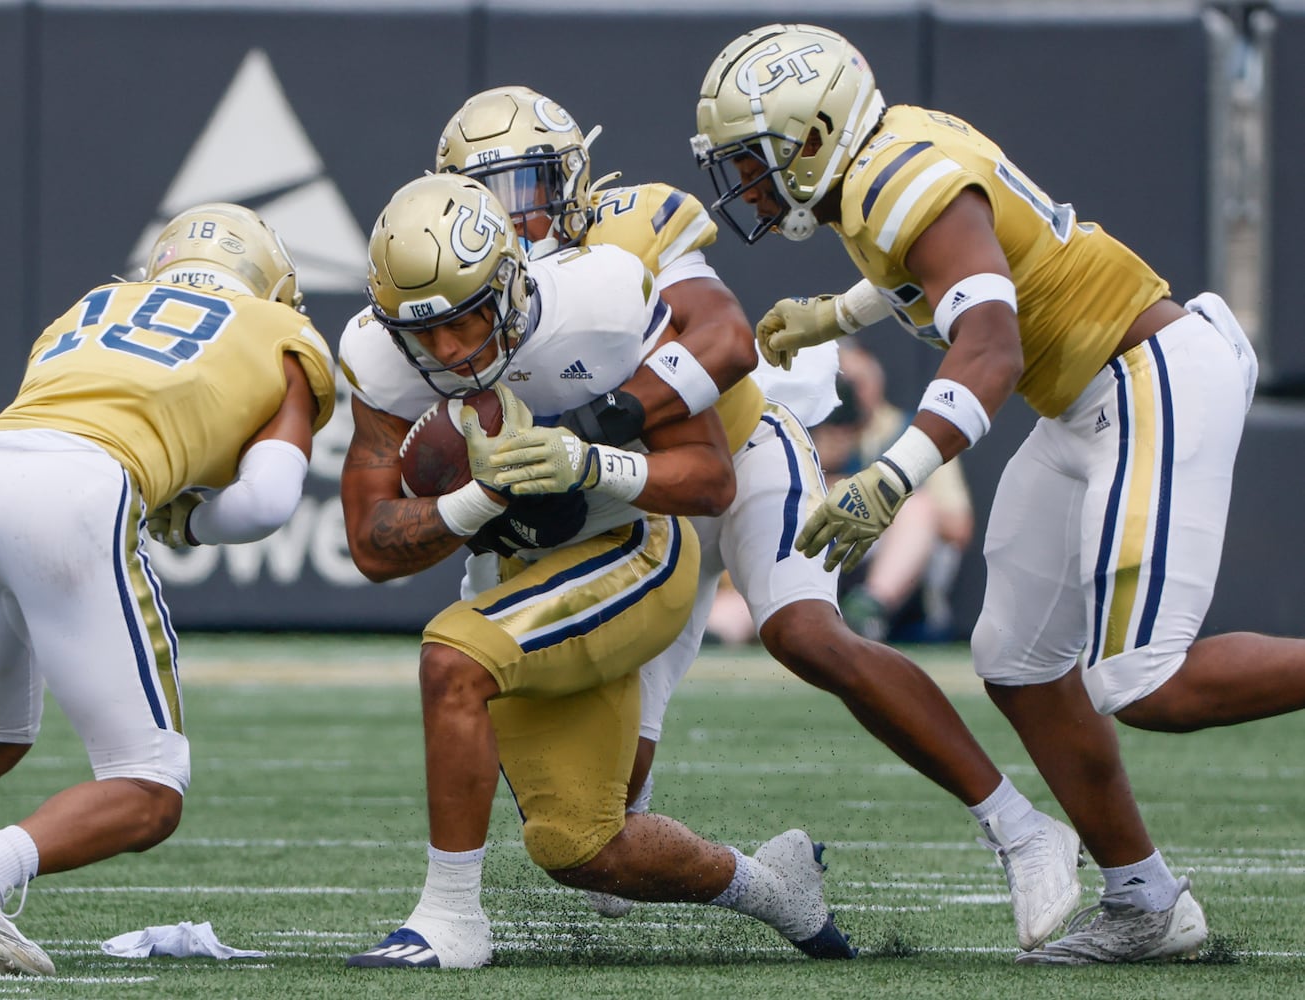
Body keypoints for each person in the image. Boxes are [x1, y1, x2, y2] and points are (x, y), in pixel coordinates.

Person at [432, 85, 1082, 950]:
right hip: (628, 508)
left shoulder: (636, 221)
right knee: (600, 832)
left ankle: (1021, 829)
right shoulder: (456, 296)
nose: (520, 214)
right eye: (490, 195)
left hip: (736, 451)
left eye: (530, 184)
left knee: (805, 633)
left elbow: (724, 343)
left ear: (574, 174)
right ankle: (774, 879)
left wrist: (593, 428)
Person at [692, 21, 1283, 963]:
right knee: (1015, 659)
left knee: (1143, 679)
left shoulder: (898, 180)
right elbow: (944, 273)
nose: (748, 187)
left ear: (814, 135)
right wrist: (835, 312)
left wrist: (895, 474)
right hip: (1087, 399)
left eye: (756, 162)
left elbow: (991, 349)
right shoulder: (881, 159)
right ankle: (1146, 901)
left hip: (1147, 377)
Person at [337, 171, 856, 970]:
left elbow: (710, 479)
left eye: (466, 317)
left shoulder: (603, 303)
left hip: (635, 546)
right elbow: (372, 544)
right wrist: (479, 499)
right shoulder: (380, 359)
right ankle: (775, 887)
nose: (448, 350)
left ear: (508, 282)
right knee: (578, 845)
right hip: (518, 570)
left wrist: (588, 460)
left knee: (454, 658)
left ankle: (449, 919)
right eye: (424, 331)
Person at [0, 203, 335, 975]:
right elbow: (265, 503)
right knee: (149, 789)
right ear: (272, 284)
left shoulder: (91, 306)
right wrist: (185, 526)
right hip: (77, 489)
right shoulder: (283, 333)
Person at [817, 341, 974, 643]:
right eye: (839, 382)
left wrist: (873, 494)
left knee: (916, 506)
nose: (849, 392)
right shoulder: (810, 433)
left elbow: (958, 526)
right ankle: (725, 626)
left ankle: (868, 608)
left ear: (876, 378)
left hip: (900, 576)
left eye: (856, 381)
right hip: (825, 565)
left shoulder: (916, 434)